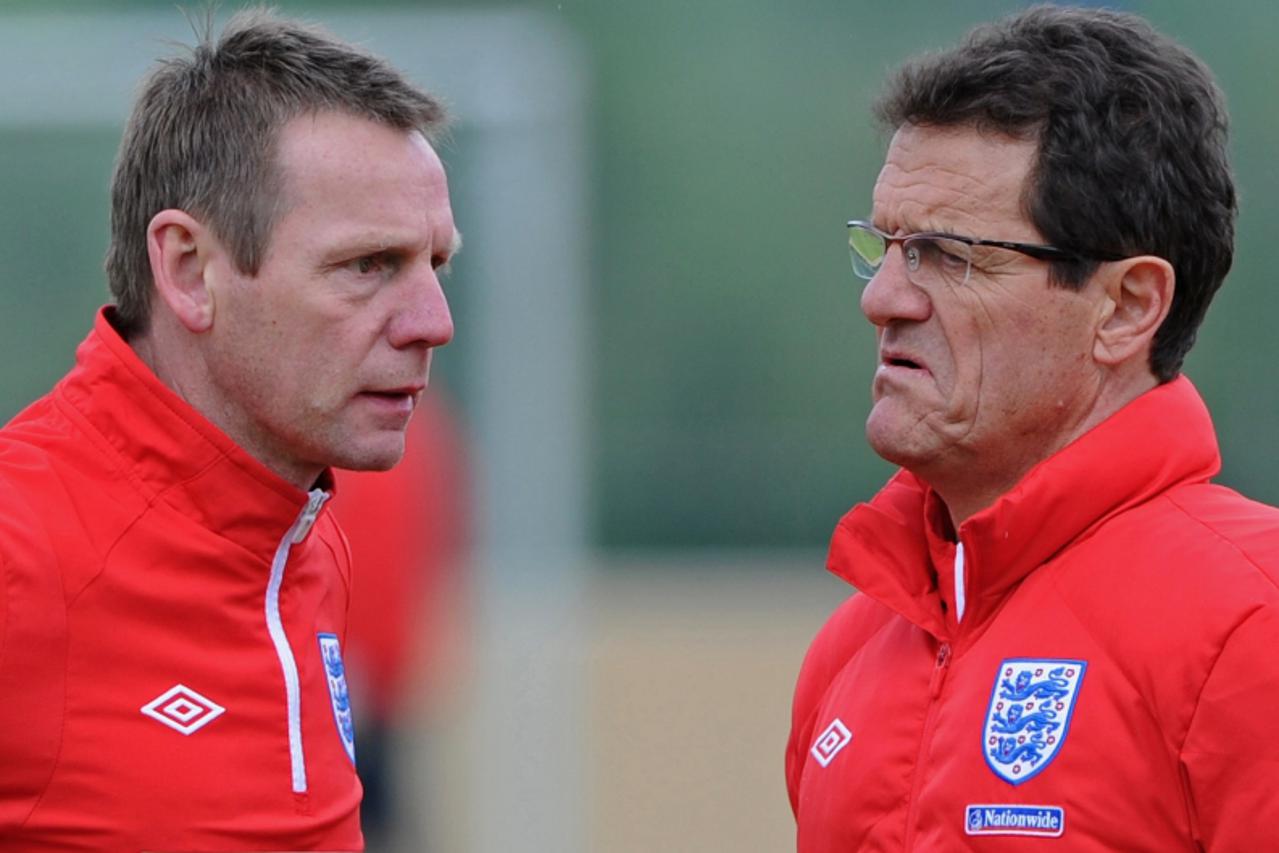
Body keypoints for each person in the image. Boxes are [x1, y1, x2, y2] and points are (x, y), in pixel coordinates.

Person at [786, 6, 1279, 850]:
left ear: (1125, 307)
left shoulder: (1252, 624)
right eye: (886, 245)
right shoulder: (853, 646)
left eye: (948, 253)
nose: (883, 298)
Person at [0, 9, 457, 851]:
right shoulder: (21, 547)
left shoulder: (305, 541)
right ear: (188, 270)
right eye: (368, 265)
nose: (434, 321)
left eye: (436, 264)